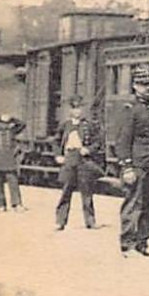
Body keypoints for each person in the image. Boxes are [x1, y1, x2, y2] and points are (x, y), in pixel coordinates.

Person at [114, 66, 149, 257]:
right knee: (133, 204)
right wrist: (127, 166)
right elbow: (123, 140)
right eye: (144, 85)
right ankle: (127, 244)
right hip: (136, 164)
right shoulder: (131, 110)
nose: (148, 88)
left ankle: (142, 243)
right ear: (135, 86)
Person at [53, 97, 102, 231]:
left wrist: (89, 149)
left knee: (86, 192)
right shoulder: (65, 125)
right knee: (66, 191)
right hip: (69, 159)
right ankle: (60, 221)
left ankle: (90, 221)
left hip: (83, 160)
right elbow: (56, 141)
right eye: (74, 108)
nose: (77, 111)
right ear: (70, 110)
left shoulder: (89, 125)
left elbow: (98, 142)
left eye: (79, 108)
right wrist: (58, 155)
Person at [0, 112, 26, 212]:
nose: (3, 127)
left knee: (13, 183)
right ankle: (0, 204)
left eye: (5, 126)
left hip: (9, 159)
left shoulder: (13, 130)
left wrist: (11, 118)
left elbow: (22, 124)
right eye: (1, 125)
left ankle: (16, 204)